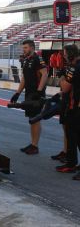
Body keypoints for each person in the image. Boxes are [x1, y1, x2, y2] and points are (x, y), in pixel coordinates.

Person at [10, 40, 48, 155]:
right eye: (23, 48)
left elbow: (45, 74)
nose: (24, 50)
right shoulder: (26, 60)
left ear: (32, 48)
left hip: (37, 94)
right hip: (29, 93)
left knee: (35, 119)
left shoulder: (38, 58)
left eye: (26, 48)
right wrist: (17, 93)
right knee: (31, 119)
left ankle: (35, 146)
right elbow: (24, 78)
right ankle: (32, 144)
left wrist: (39, 91)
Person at [55, 44, 80, 180]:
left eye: (65, 54)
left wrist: (62, 76)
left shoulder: (73, 68)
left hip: (74, 108)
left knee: (72, 136)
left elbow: (65, 88)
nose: (64, 56)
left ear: (70, 54)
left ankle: (70, 164)